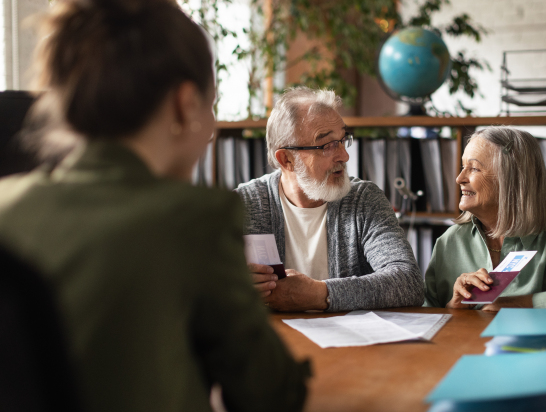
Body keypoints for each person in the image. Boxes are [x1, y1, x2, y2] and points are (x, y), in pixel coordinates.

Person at [0, 1, 309, 411]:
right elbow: (270, 394)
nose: (213, 131)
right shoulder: (194, 220)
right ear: (184, 104)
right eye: (210, 104)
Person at [235, 87, 423, 312]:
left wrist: (319, 294)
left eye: (342, 140)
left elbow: (408, 282)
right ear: (286, 159)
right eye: (326, 146)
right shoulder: (244, 204)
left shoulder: (363, 200)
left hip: (351, 344)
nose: (344, 156)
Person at [424, 126, 546, 310]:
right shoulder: (449, 241)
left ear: (511, 179)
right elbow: (424, 315)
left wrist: (510, 305)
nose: (459, 178)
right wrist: (454, 306)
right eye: (462, 167)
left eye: (474, 168)